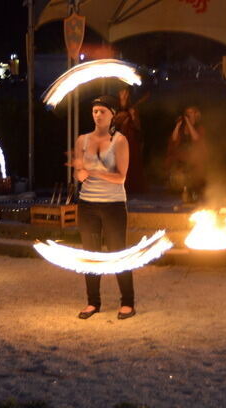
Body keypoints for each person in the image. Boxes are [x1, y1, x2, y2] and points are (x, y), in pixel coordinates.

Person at [70, 94, 135, 320]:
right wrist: (79, 172)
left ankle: (127, 302)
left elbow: (121, 177)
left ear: (112, 115)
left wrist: (94, 171)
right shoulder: (82, 140)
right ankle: (92, 302)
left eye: (102, 111)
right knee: (91, 255)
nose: (97, 115)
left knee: (118, 254)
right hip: (87, 205)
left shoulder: (120, 141)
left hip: (113, 206)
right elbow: (78, 175)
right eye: (95, 111)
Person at [167, 105, 208, 202]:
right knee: (176, 166)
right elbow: (173, 139)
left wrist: (189, 123)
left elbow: (196, 138)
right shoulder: (181, 127)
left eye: (191, 112)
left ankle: (194, 190)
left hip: (194, 158)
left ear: (196, 115)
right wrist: (177, 125)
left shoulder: (199, 127)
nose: (188, 115)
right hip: (182, 157)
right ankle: (180, 189)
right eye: (187, 112)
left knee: (196, 168)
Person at [114, 87, 146, 192]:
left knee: (132, 163)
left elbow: (138, 127)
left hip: (131, 141)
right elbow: (112, 125)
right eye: (121, 92)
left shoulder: (133, 108)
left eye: (125, 93)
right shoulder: (115, 108)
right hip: (118, 141)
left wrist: (132, 115)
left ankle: (133, 188)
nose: (124, 95)